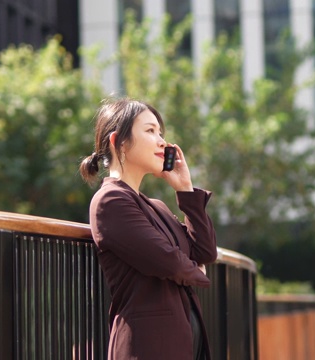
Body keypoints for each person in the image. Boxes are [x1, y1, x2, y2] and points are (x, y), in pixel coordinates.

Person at [79, 97, 217, 360]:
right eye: (150, 131)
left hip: (181, 346)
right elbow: (169, 262)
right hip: (145, 348)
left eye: (161, 132)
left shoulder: (157, 207)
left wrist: (185, 189)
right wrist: (195, 271)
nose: (162, 141)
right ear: (118, 140)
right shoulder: (111, 201)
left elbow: (205, 252)